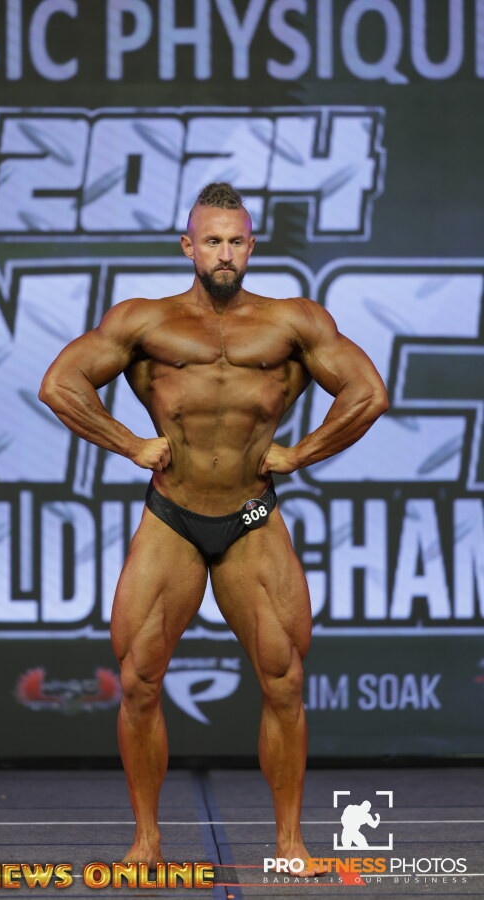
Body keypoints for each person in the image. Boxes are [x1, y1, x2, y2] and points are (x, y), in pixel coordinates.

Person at [38, 182, 388, 875]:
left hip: (252, 515)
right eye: (212, 241)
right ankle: (147, 842)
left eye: (235, 242)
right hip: (172, 514)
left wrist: (300, 453)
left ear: (251, 246)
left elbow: (368, 392)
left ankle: (289, 846)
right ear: (188, 247)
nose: (224, 254)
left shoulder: (293, 322)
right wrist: (127, 443)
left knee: (283, 681)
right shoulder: (144, 322)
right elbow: (60, 384)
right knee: (139, 679)